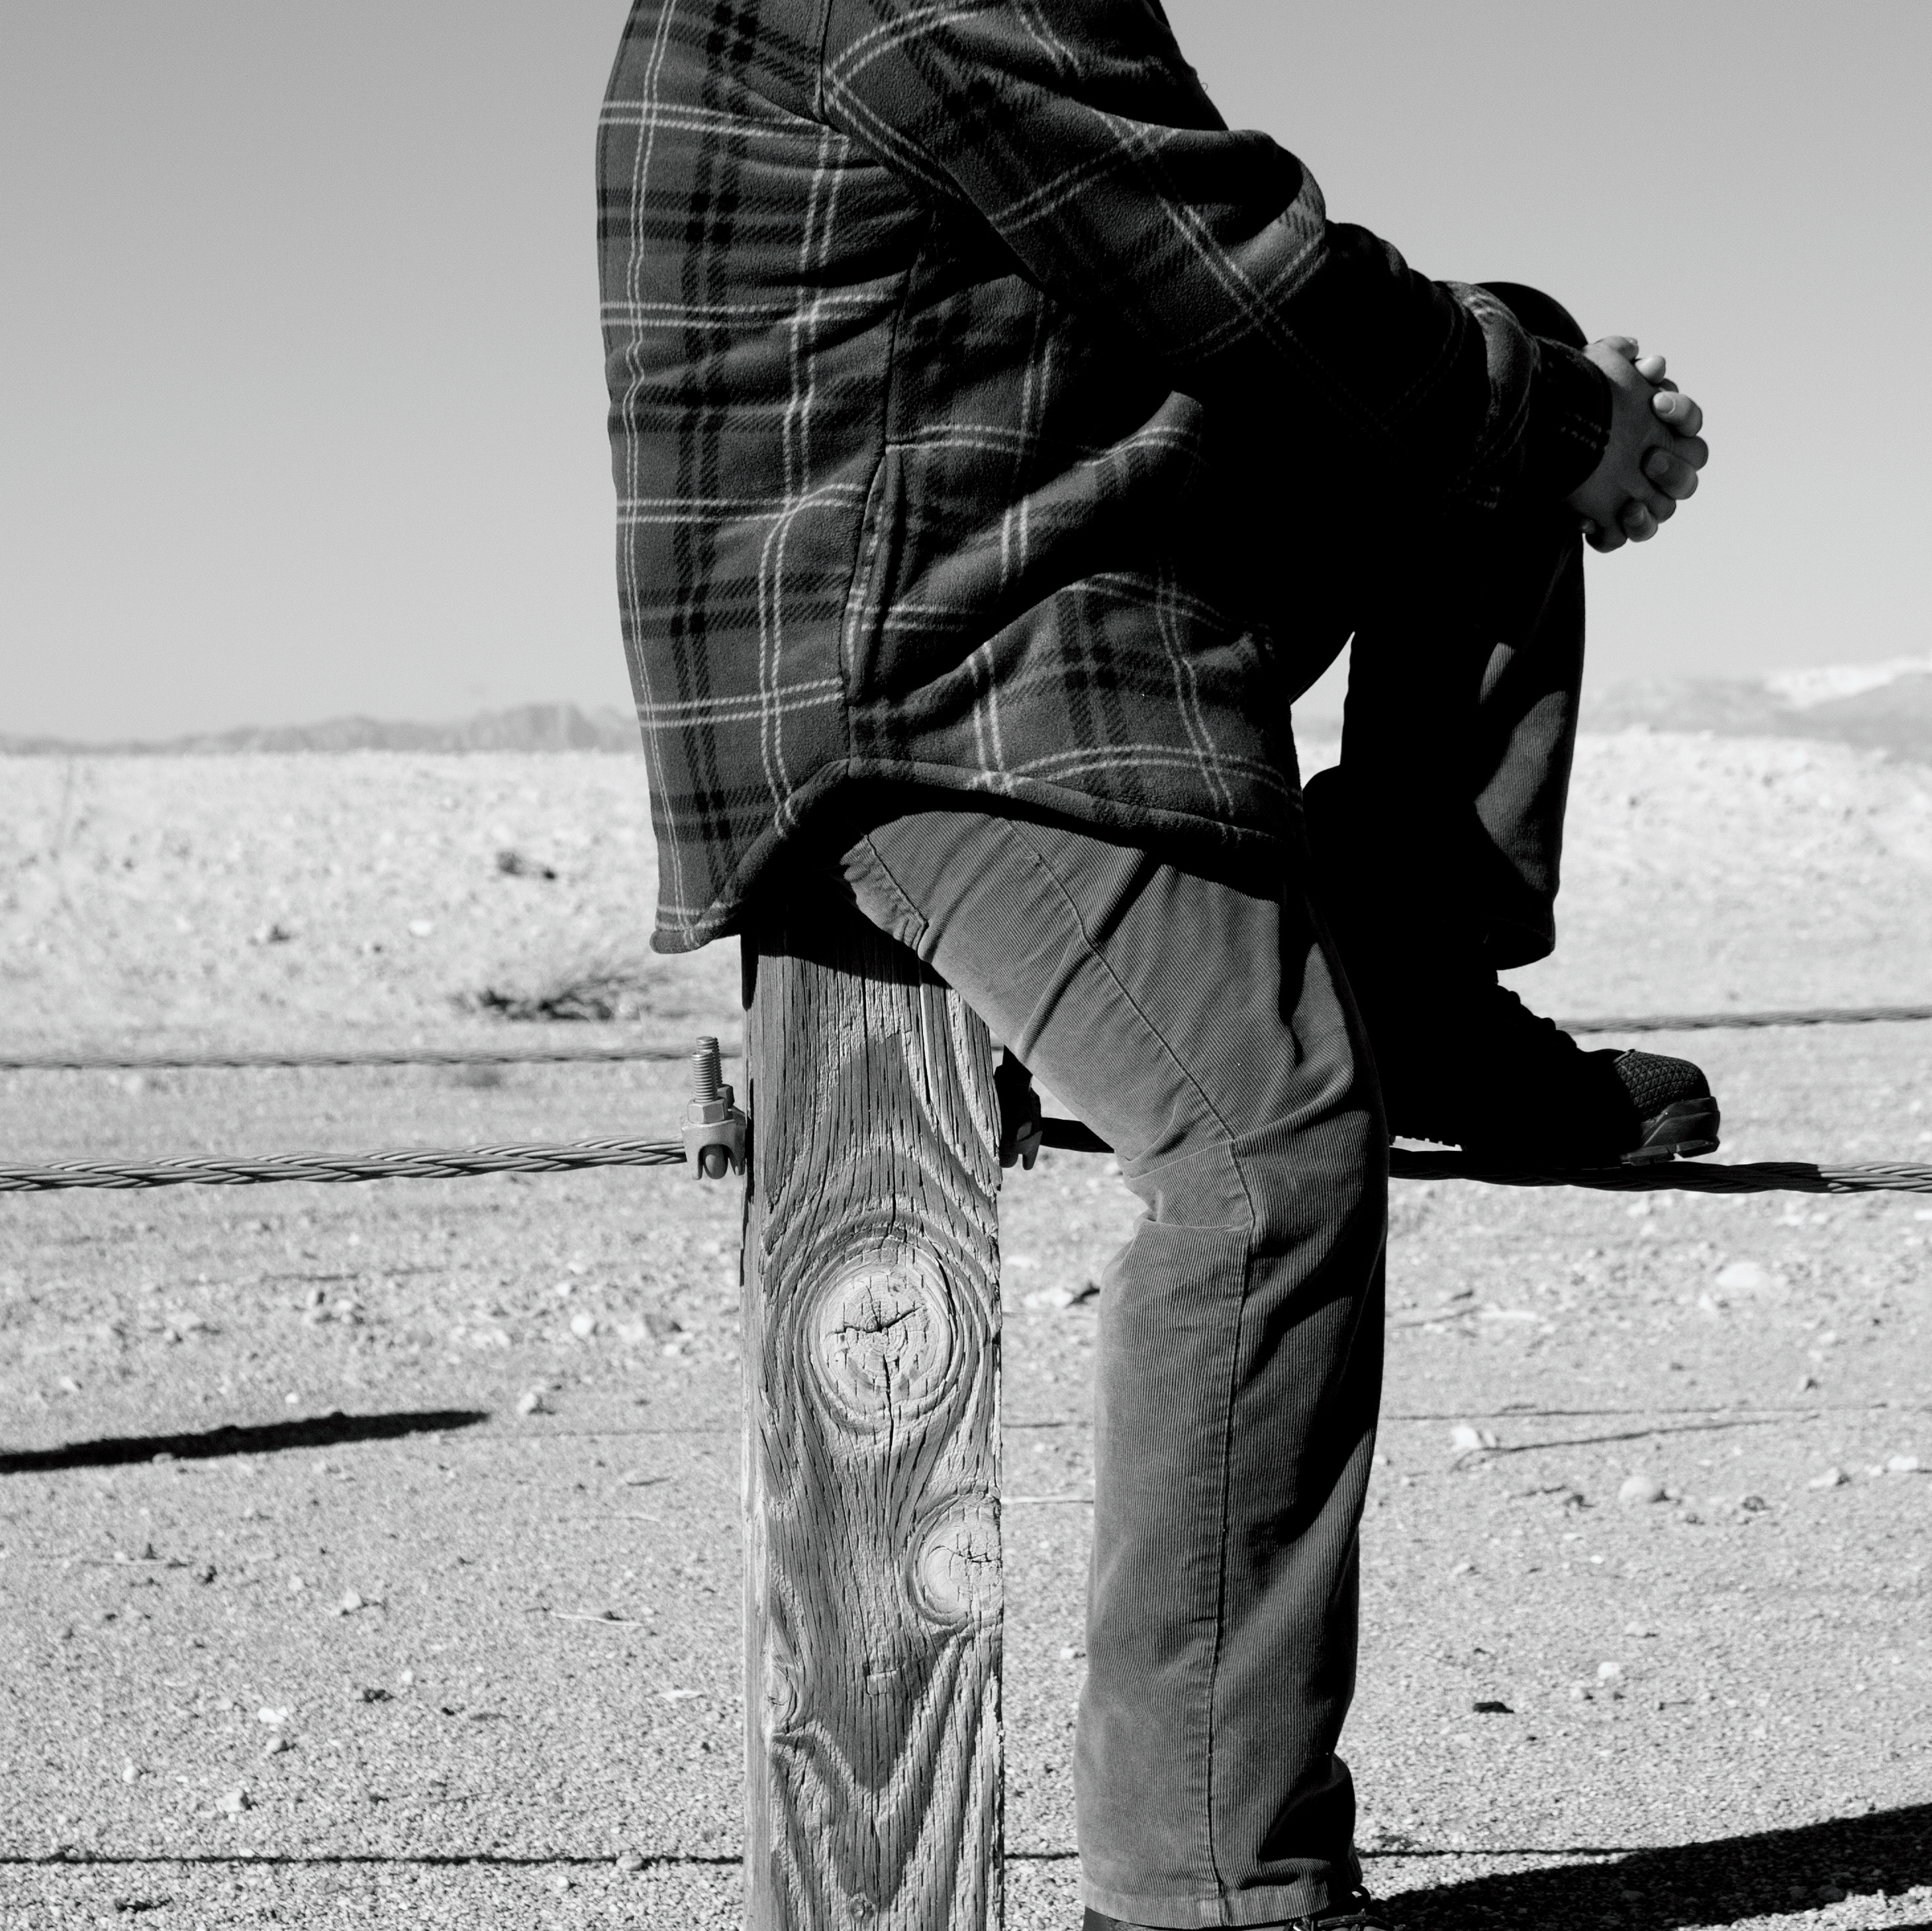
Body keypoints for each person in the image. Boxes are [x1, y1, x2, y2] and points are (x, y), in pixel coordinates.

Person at [599, 7, 1712, 1927]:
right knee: (1266, 1153)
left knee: (1497, 355)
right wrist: (1573, 423)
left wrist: (1543, 405)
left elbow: (1231, 283)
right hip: (922, 675)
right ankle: (1206, 1886)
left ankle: (1407, 967)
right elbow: (1235, 268)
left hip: (1034, 566)